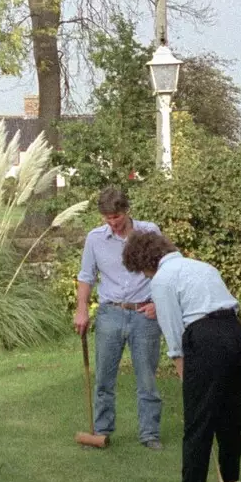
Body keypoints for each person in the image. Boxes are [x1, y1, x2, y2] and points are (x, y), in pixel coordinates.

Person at [120, 230, 241, 482]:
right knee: (230, 416)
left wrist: (182, 368)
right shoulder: (201, 266)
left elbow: (173, 330)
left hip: (206, 339)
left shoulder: (163, 279)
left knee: (198, 419)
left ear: (143, 261)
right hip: (236, 335)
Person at [74, 188, 165, 449]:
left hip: (143, 313)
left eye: (116, 217)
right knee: (104, 377)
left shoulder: (149, 233)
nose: (112, 223)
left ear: (126, 211)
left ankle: (149, 434)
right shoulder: (95, 239)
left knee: (146, 377)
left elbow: (165, 269)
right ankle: (101, 430)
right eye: (107, 218)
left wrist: (157, 305)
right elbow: (86, 276)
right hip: (110, 313)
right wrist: (82, 309)